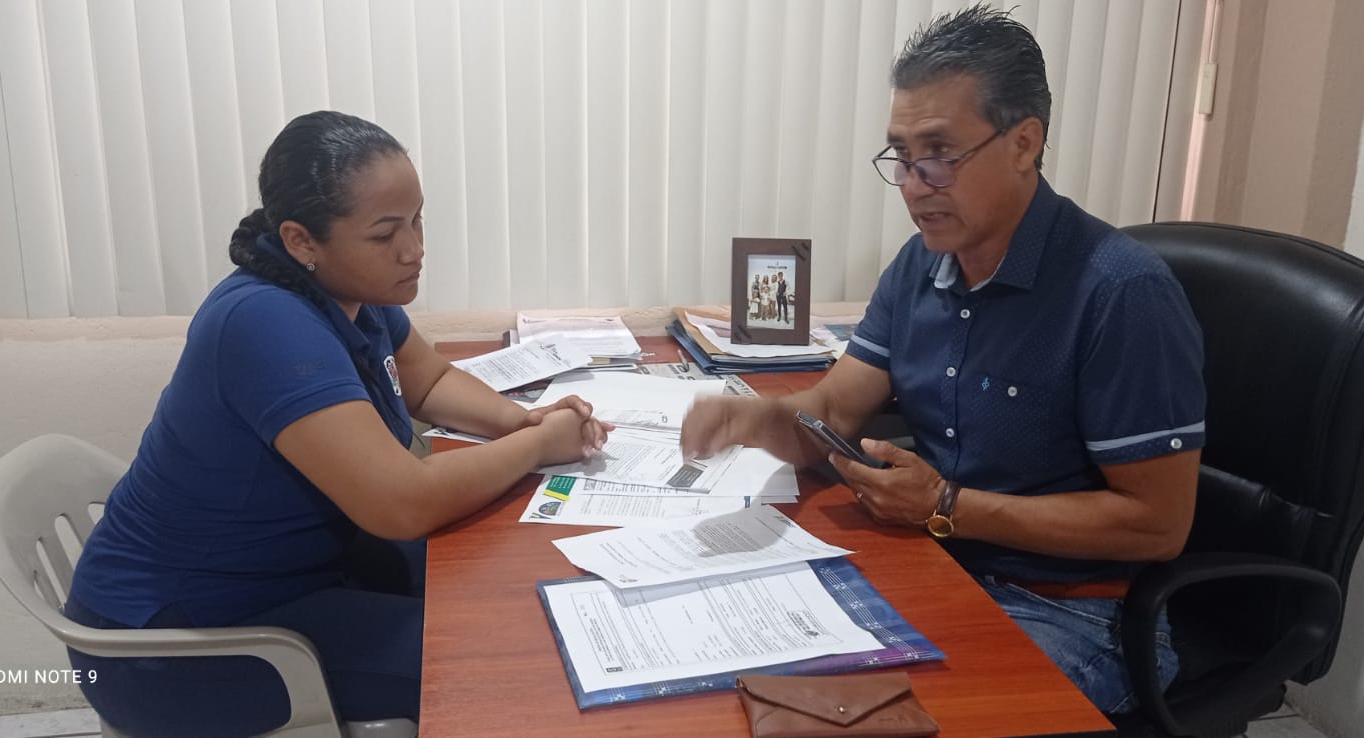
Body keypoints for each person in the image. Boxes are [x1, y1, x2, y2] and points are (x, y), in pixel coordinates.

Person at [681, 6, 1203, 714]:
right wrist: (758, 419)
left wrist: (947, 507)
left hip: (1075, 608)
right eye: (901, 156)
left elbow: (1158, 524)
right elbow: (834, 409)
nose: (913, 182)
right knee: (740, 670)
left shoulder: (1121, 292)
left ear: (1023, 144)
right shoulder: (920, 266)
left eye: (938, 154)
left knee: (870, 720)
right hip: (933, 561)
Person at [65, 111, 610, 736]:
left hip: (295, 572)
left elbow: (428, 381)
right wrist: (537, 445)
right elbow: (403, 504)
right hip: (179, 640)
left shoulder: (350, 290)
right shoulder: (264, 323)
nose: (414, 250)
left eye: (417, 220)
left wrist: (522, 419)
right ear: (302, 241)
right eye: (385, 234)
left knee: (504, 588)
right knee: (500, 661)